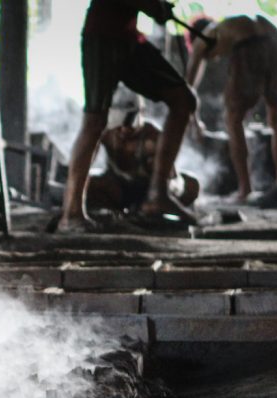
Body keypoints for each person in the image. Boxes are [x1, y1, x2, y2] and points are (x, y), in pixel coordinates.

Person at [56, 0, 198, 232]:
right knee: (95, 122)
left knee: (183, 101)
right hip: (102, 38)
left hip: (128, 38)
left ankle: (157, 196)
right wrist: (156, 8)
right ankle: (70, 215)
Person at [186, 15, 277, 201]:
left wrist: (194, 121)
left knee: (233, 118)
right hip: (276, 39)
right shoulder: (229, 25)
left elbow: (188, 89)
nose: (216, 59)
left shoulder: (204, 36)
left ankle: (245, 189)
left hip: (249, 45)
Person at [87, 99, 200, 214]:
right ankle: (118, 213)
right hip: (118, 190)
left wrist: (165, 193)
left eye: (129, 122)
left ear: (141, 114)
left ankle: (147, 210)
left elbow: (171, 179)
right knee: (89, 184)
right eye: (119, 123)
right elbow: (85, 167)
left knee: (191, 184)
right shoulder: (106, 133)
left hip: (151, 191)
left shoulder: (154, 138)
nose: (124, 129)